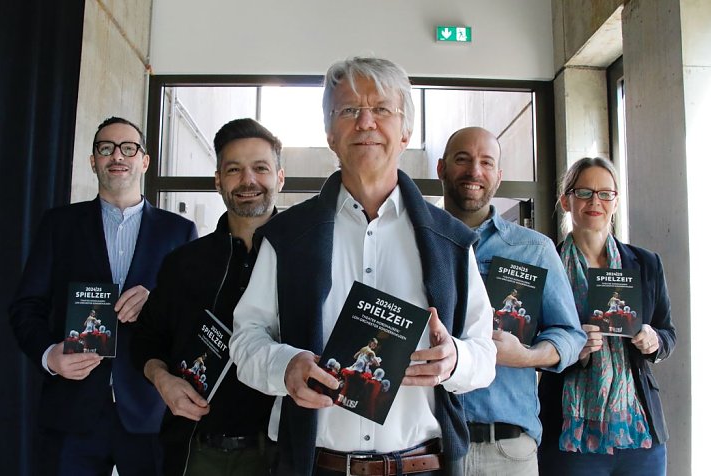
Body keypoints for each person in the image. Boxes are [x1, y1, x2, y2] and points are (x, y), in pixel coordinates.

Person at [230, 57, 497, 476]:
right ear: (330, 133)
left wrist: (455, 360)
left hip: (422, 466)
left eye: (382, 109)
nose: (365, 122)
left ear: (406, 131)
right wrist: (286, 368)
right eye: (348, 110)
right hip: (313, 465)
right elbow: (245, 341)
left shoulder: (451, 242)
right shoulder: (287, 237)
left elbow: (485, 352)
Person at [8, 116, 198, 476]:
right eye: (105, 148)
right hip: (73, 411)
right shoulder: (58, 225)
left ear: (144, 160)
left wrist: (155, 300)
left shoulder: (179, 231)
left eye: (128, 147)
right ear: (93, 160)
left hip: (149, 411)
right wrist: (50, 356)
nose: (117, 155)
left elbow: (192, 318)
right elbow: (25, 307)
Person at [131, 118, 284, 476]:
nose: (248, 180)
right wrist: (162, 379)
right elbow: (147, 339)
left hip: (280, 455)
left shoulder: (308, 259)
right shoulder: (183, 262)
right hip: (195, 453)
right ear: (218, 180)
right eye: (234, 169)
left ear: (279, 176)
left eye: (260, 168)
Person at [437, 126, 585, 475]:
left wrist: (527, 356)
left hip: (505, 450)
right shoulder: (412, 242)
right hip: (426, 449)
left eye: (486, 162)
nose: (475, 171)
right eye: (463, 160)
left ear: (499, 177)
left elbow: (570, 334)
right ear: (441, 168)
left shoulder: (534, 249)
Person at [537, 157, 676, 475]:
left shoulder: (645, 263)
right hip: (570, 436)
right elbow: (530, 342)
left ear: (615, 201)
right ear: (566, 200)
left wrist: (654, 340)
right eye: (584, 192)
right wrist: (570, 349)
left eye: (605, 193)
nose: (594, 201)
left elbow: (668, 333)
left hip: (639, 433)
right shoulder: (547, 265)